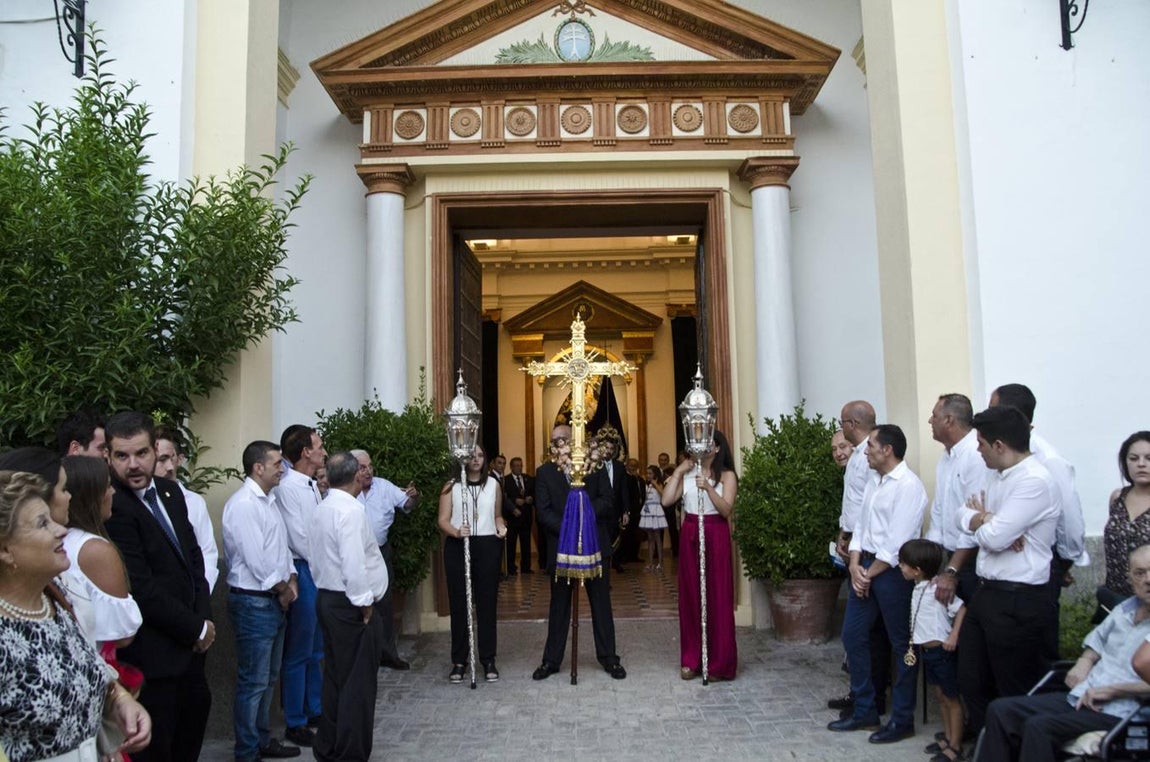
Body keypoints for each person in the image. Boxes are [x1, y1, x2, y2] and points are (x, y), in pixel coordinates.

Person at [0, 471, 151, 762]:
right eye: (42, 524)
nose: (61, 530)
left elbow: (89, 669)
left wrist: (117, 700)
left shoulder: (59, 598)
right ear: (6, 550)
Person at [103, 411, 214, 762]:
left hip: (193, 654)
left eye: (141, 453)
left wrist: (205, 623)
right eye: (122, 456)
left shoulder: (171, 492)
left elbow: (194, 561)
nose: (133, 464)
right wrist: (194, 627)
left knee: (190, 737)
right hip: (152, 661)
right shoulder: (113, 506)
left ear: (156, 451)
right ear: (107, 456)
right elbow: (140, 586)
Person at [980, 543, 1150, 762]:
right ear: (1130, 578)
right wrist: (1084, 662)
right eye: (1140, 573)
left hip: (1123, 713)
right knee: (1000, 710)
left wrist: (1114, 690)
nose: (1148, 579)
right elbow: (1095, 643)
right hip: (1082, 697)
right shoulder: (1124, 609)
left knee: (1039, 726)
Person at [956, 404, 1060, 735]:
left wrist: (989, 523)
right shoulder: (992, 474)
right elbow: (961, 514)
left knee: (1013, 686)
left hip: (1019, 599)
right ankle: (989, 747)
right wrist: (986, 520)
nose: (977, 450)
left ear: (999, 445)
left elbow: (996, 537)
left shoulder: (1035, 481)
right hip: (987, 593)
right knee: (972, 679)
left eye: (981, 443)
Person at [828, 424, 926, 744]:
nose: (864, 450)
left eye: (871, 445)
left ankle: (902, 719)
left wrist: (868, 574)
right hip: (865, 566)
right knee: (853, 635)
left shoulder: (909, 486)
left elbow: (898, 541)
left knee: (901, 645)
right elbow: (861, 527)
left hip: (893, 573)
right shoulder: (874, 480)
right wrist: (855, 564)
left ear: (888, 450)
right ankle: (865, 709)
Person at [307, 452, 389, 762]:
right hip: (351, 604)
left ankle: (328, 746)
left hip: (327, 598)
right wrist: (364, 603)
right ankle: (351, 753)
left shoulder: (323, 507)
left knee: (336, 678)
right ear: (356, 477)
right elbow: (353, 561)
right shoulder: (351, 512)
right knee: (358, 685)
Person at [223, 441, 301, 761]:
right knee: (253, 682)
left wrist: (292, 578)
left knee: (268, 678)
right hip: (254, 603)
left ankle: (262, 739)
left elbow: (280, 549)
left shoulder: (269, 501)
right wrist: (283, 588)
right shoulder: (244, 505)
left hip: (272, 600)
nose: (282, 468)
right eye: (277, 463)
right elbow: (256, 561)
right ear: (258, 467)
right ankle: (247, 750)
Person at [532, 424, 627, 681]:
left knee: (601, 603)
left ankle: (609, 658)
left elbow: (608, 501)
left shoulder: (594, 468)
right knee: (559, 606)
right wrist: (569, 526)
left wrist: (583, 517)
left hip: (595, 544)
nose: (559, 444)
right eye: (554, 441)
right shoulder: (545, 473)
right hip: (561, 547)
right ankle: (551, 660)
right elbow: (543, 512)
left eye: (564, 439)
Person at [828, 400, 890, 718]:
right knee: (860, 632)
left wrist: (854, 543)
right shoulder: (858, 456)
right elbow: (853, 504)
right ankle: (862, 694)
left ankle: (872, 698)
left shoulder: (870, 454)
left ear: (852, 423)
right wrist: (845, 533)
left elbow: (869, 508)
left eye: (842, 423)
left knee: (865, 631)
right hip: (857, 547)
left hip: (872, 553)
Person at [662, 430, 739, 680]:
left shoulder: (727, 476)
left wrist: (708, 488)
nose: (703, 446)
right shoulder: (688, 475)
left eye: (708, 443)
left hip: (715, 532)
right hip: (691, 532)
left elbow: (726, 509)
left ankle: (719, 662)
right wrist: (679, 471)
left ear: (717, 448)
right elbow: (666, 500)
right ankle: (691, 659)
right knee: (691, 595)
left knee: (717, 595)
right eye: (700, 442)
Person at [274, 425, 326, 747]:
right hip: (305, 568)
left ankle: (314, 707)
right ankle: (295, 719)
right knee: (299, 649)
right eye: (319, 445)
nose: (323, 450)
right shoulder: (289, 487)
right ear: (305, 452)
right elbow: (300, 536)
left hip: (317, 569)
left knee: (316, 646)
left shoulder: (309, 485)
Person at [437, 445, 508, 682]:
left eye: (480, 455)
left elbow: (497, 515)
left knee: (487, 604)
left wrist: (501, 526)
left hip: (487, 546)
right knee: (460, 604)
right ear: (464, 458)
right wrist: (457, 532)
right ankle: (459, 661)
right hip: (459, 546)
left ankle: (488, 659)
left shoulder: (494, 485)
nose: (476, 459)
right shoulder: (451, 486)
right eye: (472, 455)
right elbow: (442, 521)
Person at [58, 455, 142, 647]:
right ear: (91, 496)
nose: (113, 492)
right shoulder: (94, 549)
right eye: (107, 486)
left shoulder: (56, 540)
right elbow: (123, 634)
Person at [898, 539, 966, 762]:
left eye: (903, 563)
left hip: (942, 651)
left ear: (917, 570)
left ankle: (955, 746)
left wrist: (954, 636)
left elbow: (962, 609)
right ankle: (947, 737)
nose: (900, 567)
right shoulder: (919, 587)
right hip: (927, 652)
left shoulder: (938, 588)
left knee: (951, 698)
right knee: (940, 695)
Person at [352, 448, 418, 670]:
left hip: (380, 552)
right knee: (356, 604)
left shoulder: (384, 486)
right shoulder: (346, 490)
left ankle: (388, 654)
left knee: (385, 603)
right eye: (362, 467)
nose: (368, 471)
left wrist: (413, 498)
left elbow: (406, 504)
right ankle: (362, 656)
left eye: (370, 466)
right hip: (355, 554)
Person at [926, 393, 986, 608]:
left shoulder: (975, 454)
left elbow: (974, 519)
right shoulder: (946, 456)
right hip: (951, 558)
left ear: (949, 420)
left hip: (971, 560)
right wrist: (931, 565)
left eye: (934, 416)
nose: (930, 421)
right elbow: (939, 509)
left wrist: (952, 571)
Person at [154, 426, 219, 593]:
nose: (169, 467)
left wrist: (202, 594)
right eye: (161, 459)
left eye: (171, 458)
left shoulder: (195, 502)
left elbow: (207, 552)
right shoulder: (141, 502)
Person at [1102, 431, 1150, 599]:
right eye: (1134, 458)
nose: (1141, 464)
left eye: (1148, 458)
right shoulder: (1117, 497)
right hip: (1115, 595)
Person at [503, 456, 535, 574]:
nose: (519, 467)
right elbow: (504, 498)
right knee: (511, 544)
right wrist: (515, 501)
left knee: (526, 543)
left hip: (526, 516)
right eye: (516, 465)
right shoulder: (506, 480)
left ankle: (526, 567)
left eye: (520, 465)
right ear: (511, 467)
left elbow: (533, 493)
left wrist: (531, 498)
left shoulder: (528, 479)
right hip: (512, 517)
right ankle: (511, 567)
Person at [640, 465, 668, 571]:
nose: (648, 475)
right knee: (650, 539)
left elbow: (663, 494)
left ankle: (660, 563)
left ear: (655, 474)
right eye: (647, 473)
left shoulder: (658, 484)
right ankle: (651, 563)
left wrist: (655, 483)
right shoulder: (647, 485)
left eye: (650, 473)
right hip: (648, 511)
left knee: (657, 538)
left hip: (656, 511)